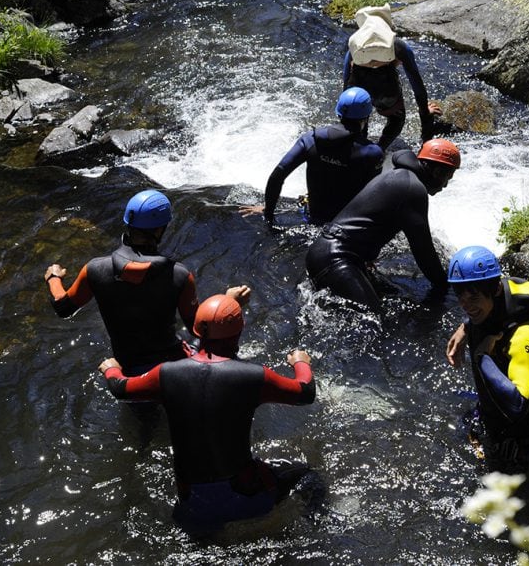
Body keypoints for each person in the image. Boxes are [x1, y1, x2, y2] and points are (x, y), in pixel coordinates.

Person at [97, 294, 316, 534]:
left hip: (193, 505)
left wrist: (112, 370)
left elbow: (121, 389)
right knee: (307, 476)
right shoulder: (254, 376)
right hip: (249, 496)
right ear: (239, 331)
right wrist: (300, 362)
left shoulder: (165, 374)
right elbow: (305, 392)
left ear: (197, 332)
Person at [44, 189, 250, 376]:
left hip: (130, 371)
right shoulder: (178, 275)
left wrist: (54, 279)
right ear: (160, 229)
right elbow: (201, 330)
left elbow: (63, 307)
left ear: (128, 223)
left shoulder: (94, 270)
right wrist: (229, 302)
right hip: (173, 368)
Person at [305, 138, 461, 309]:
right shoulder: (413, 190)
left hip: (325, 253)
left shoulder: (397, 175)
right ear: (437, 172)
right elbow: (423, 251)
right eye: (448, 177)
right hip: (336, 259)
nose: (445, 185)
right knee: (372, 321)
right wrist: (448, 288)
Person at [444, 245, 529, 473]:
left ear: (496, 289)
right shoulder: (487, 313)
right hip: (491, 419)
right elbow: (482, 313)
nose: (465, 304)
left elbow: (518, 405)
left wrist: (482, 357)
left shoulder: (524, 335)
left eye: (473, 296)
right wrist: (466, 327)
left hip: (519, 442)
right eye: (460, 295)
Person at [239, 87, 383, 227]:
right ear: (367, 116)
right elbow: (374, 196)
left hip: (312, 216)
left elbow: (278, 175)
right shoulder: (372, 153)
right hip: (345, 225)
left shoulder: (311, 139)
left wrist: (268, 213)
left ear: (339, 113)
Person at [343, 4, 444, 150]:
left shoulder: (354, 47)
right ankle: (381, 148)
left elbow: (346, 83)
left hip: (358, 88)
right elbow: (416, 83)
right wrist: (424, 112)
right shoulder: (398, 46)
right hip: (387, 90)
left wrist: (347, 113)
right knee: (397, 118)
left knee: (359, 116)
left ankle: (360, 147)